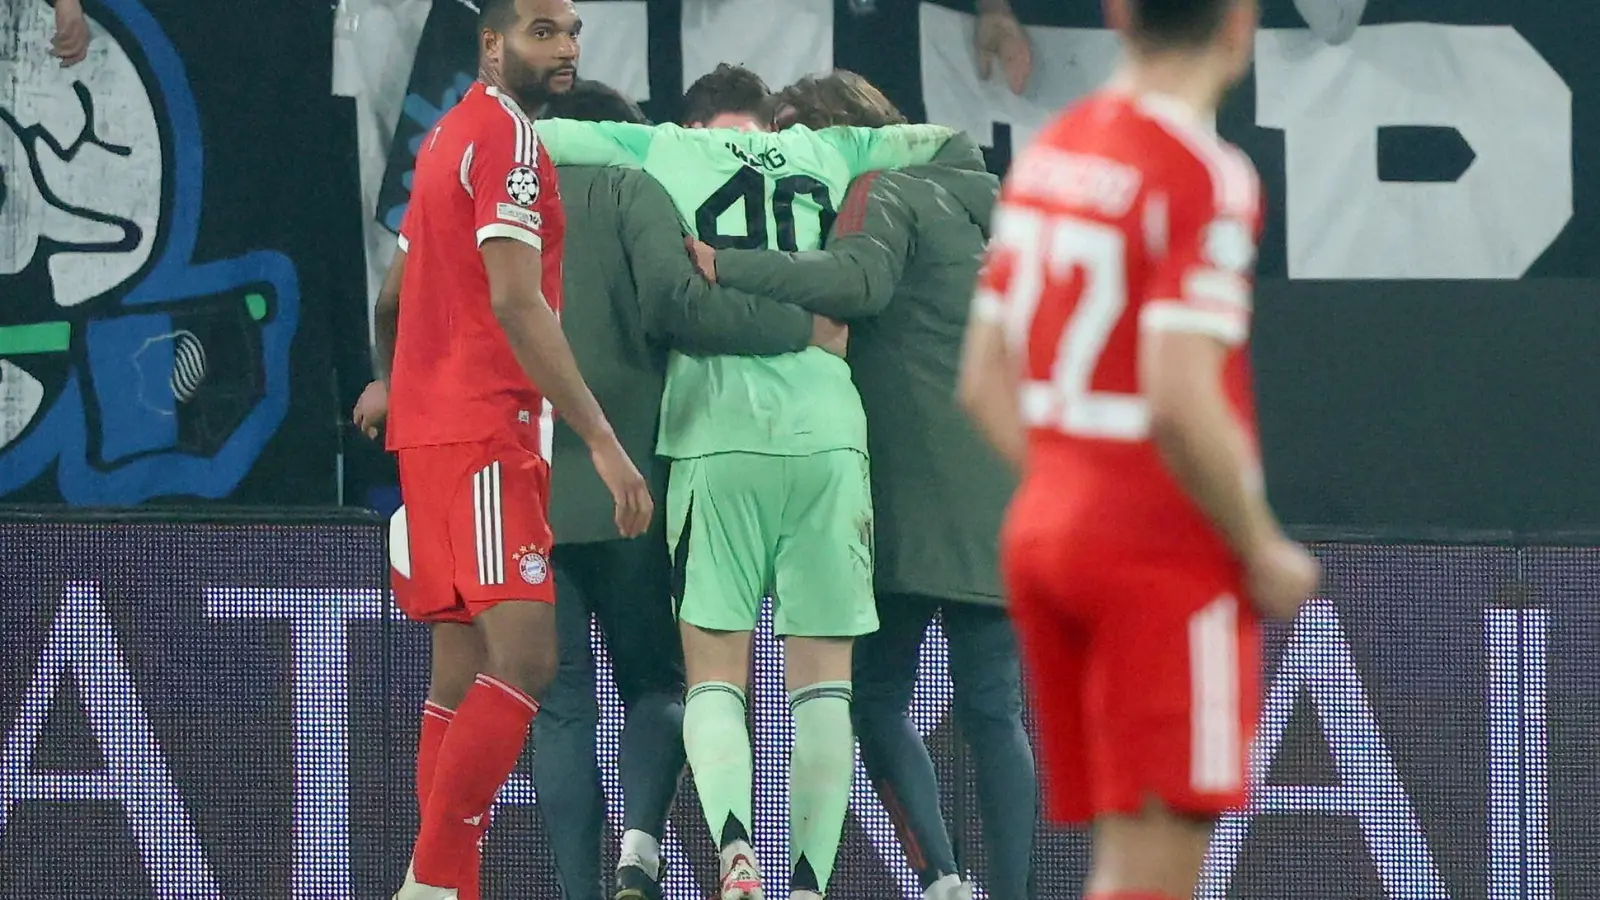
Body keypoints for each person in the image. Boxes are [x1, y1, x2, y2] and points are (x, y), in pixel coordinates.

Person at [530, 69, 956, 900]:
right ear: (774, 120)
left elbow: (543, 139)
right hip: (828, 431)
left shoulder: (665, 146)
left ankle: (735, 853)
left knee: (716, 677)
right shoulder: (830, 150)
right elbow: (936, 142)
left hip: (715, 434)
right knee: (822, 687)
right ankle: (809, 882)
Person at [955, 1, 1320, 898]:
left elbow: (979, 380)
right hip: (1158, 556)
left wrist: (1072, 492)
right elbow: (1180, 395)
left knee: (1121, 867)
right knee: (1156, 871)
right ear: (1241, 23)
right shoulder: (1204, 173)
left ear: (1119, 15)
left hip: (1046, 536)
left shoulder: (1052, 152)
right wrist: (1259, 545)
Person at [687, 70, 1037, 900]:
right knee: (994, 708)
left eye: (797, 136)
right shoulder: (1000, 198)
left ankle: (945, 880)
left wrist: (730, 265)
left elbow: (859, 284)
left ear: (834, 130)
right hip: (1009, 477)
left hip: (907, 483)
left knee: (875, 699)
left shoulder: (882, 186)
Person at [351, 2, 653, 899]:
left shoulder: (446, 135)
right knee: (527, 660)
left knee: (462, 672)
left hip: (431, 439)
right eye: (543, 32)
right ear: (493, 43)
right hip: (489, 433)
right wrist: (603, 443)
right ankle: (434, 880)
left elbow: (391, 298)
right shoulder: (513, 141)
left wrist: (396, 384)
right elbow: (520, 303)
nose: (564, 49)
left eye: (571, 32)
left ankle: (450, 885)